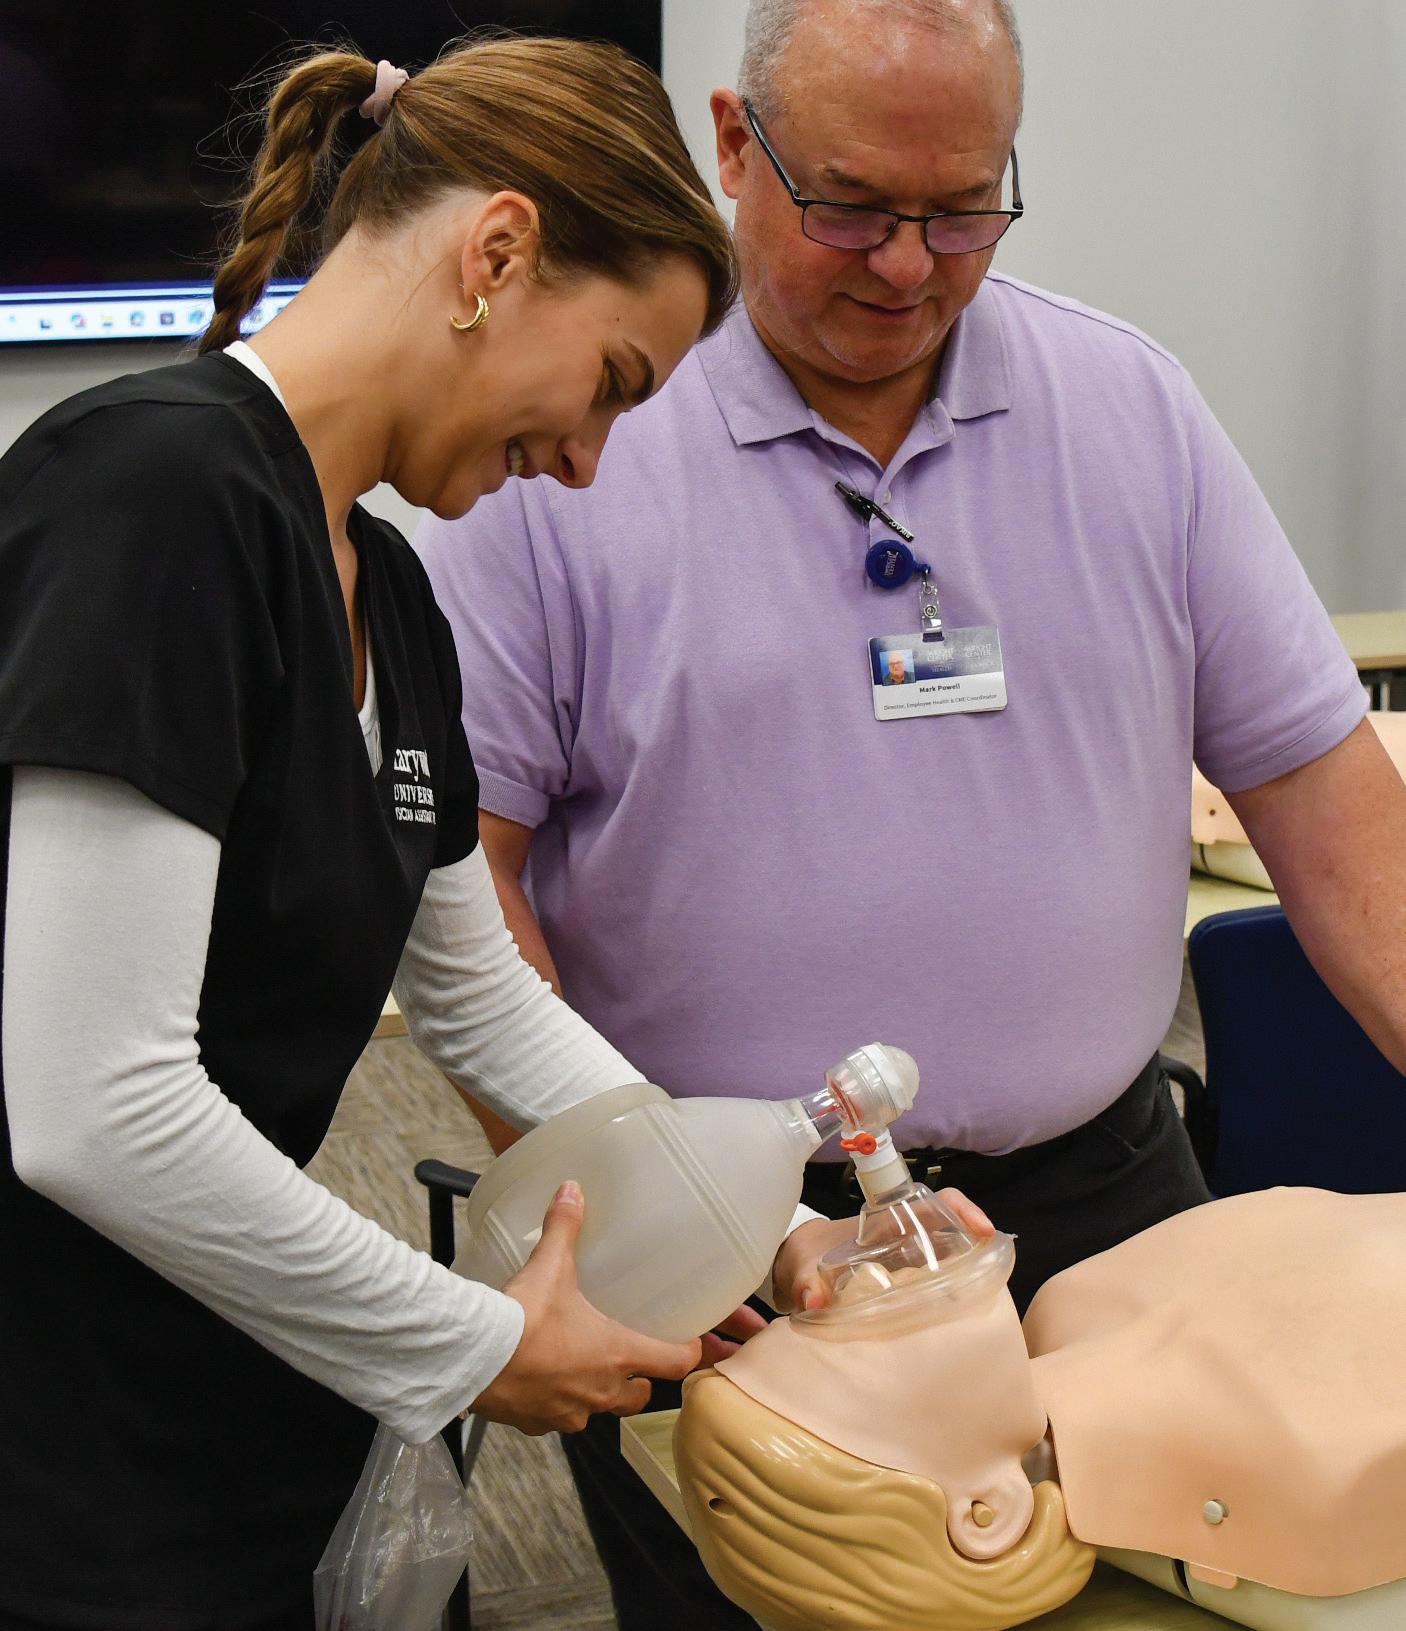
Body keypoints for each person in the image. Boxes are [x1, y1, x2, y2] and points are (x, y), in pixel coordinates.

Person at [415, 1, 1406, 1626]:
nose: (903, 266)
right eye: (852, 206)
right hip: (743, 1254)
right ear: (732, 148)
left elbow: (1332, 809)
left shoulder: (1127, 410)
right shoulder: (578, 431)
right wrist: (656, 1218)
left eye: (958, 213)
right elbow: (468, 891)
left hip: (1102, 1202)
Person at [0, 35, 827, 1631]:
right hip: (50, 1427)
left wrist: (780, 1231)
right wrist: (480, 1344)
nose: (583, 463)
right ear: (496, 254)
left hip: (218, 1354)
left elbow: (478, 1000)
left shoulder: (390, 595)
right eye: (609, 386)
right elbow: (94, 1109)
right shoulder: (154, 502)